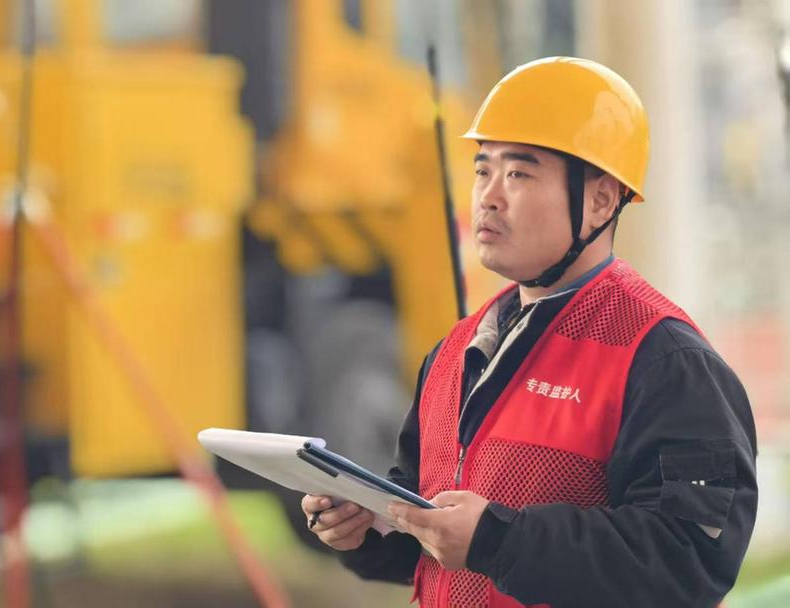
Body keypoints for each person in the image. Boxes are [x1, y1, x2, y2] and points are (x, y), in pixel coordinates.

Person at [301, 57, 758, 607]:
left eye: (519, 173)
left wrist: (498, 541)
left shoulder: (666, 361)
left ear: (600, 200)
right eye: (482, 171)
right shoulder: (454, 351)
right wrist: (365, 529)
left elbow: (689, 559)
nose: (489, 196)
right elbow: (430, 528)